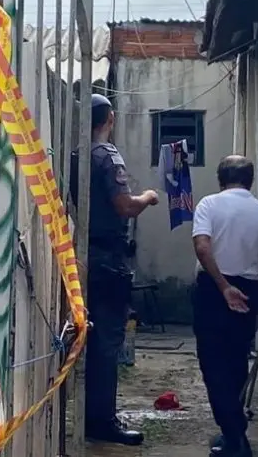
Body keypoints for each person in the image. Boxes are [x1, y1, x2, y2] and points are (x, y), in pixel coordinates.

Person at [69, 93, 159, 446]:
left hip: (85, 254)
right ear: (110, 119)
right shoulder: (106, 155)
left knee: (90, 337)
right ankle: (102, 422)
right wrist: (147, 197)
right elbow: (124, 206)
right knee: (107, 340)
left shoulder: (77, 156)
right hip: (108, 257)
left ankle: (90, 415)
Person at [192, 155, 258, 457]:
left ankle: (235, 437)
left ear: (221, 178)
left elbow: (202, 248)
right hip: (250, 291)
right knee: (237, 361)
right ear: (250, 180)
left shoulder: (208, 205)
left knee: (213, 364)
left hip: (214, 289)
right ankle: (234, 429)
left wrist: (224, 288)